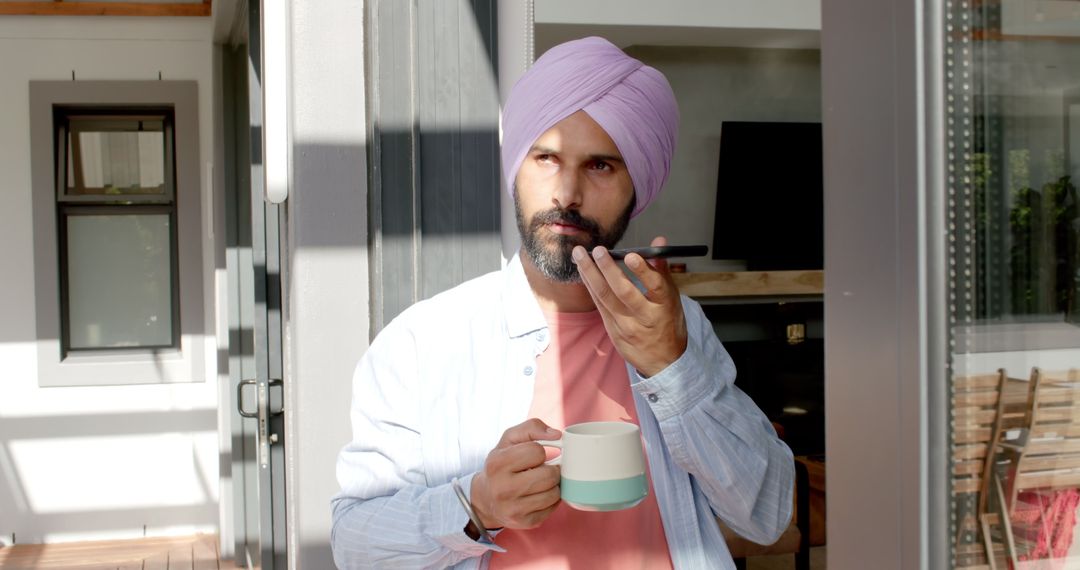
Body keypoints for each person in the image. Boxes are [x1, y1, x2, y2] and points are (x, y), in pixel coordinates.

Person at [331, 36, 794, 569]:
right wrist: (473, 505)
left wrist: (674, 369)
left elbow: (768, 514)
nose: (567, 193)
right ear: (517, 169)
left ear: (635, 186)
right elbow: (354, 545)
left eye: (600, 166)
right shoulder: (422, 342)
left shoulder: (676, 327)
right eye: (546, 157)